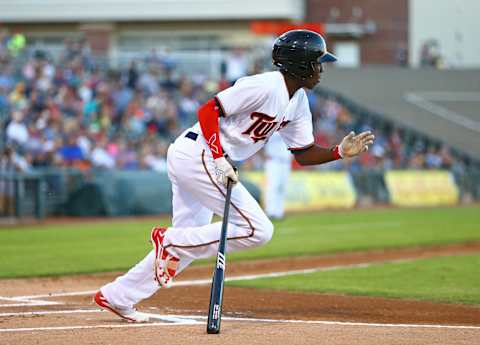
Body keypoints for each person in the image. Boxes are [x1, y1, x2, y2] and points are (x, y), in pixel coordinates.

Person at [93, 29, 375, 322]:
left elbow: (302, 153)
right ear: (301, 64)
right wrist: (217, 157)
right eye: (318, 62)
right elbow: (209, 110)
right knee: (258, 229)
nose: (321, 70)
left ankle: (118, 296)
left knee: (191, 243)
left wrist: (338, 152)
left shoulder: (299, 102)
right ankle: (169, 241)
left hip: (204, 158)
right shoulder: (265, 86)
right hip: (200, 153)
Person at [264, 132, 292, 220]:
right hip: (273, 160)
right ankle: (270, 211)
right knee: (272, 186)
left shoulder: (289, 127)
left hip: (286, 162)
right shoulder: (273, 129)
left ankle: (279, 212)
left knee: (282, 188)